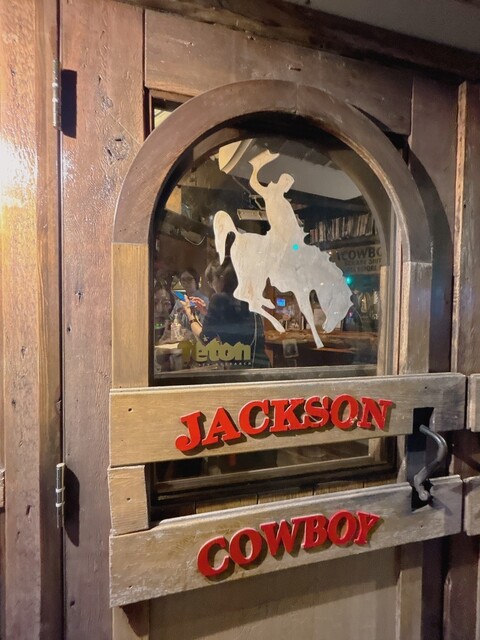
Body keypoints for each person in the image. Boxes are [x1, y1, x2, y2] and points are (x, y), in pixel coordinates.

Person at [182, 257, 270, 369]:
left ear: (221, 278)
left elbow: (205, 339)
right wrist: (206, 311)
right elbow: (233, 324)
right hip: (262, 366)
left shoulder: (219, 298)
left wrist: (190, 314)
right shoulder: (247, 297)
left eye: (211, 281)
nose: (211, 286)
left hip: (241, 369)